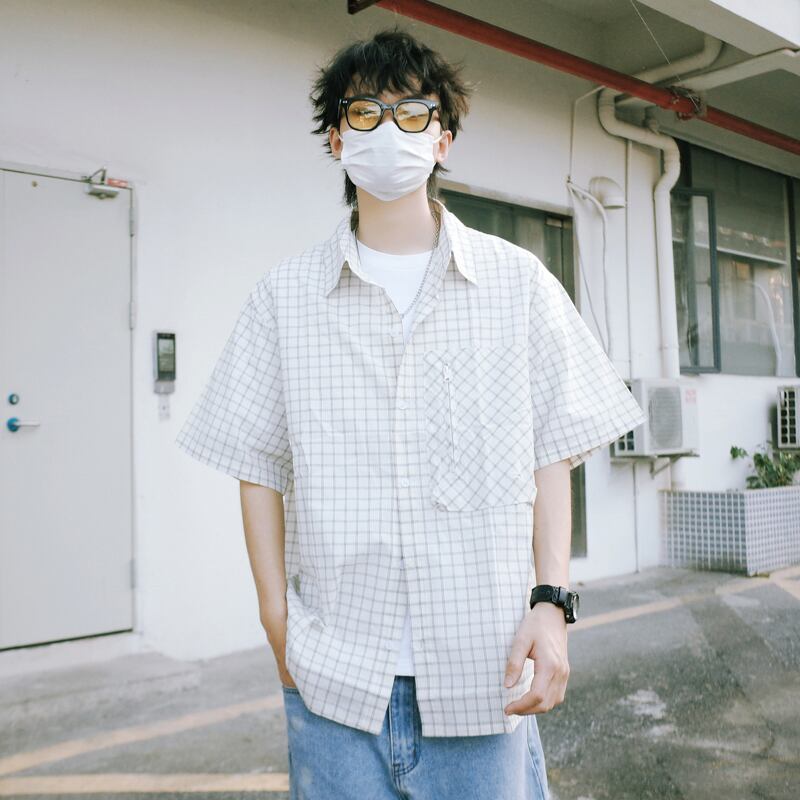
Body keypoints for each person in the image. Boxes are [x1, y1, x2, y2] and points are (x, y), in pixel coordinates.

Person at [175, 27, 647, 800]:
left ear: (442, 138)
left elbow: (551, 450)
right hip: (334, 680)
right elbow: (254, 463)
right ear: (337, 140)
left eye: (412, 113)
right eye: (364, 113)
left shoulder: (517, 283)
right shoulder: (284, 298)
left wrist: (551, 602)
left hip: (484, 671)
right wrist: (275, 621)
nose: (387, 131)